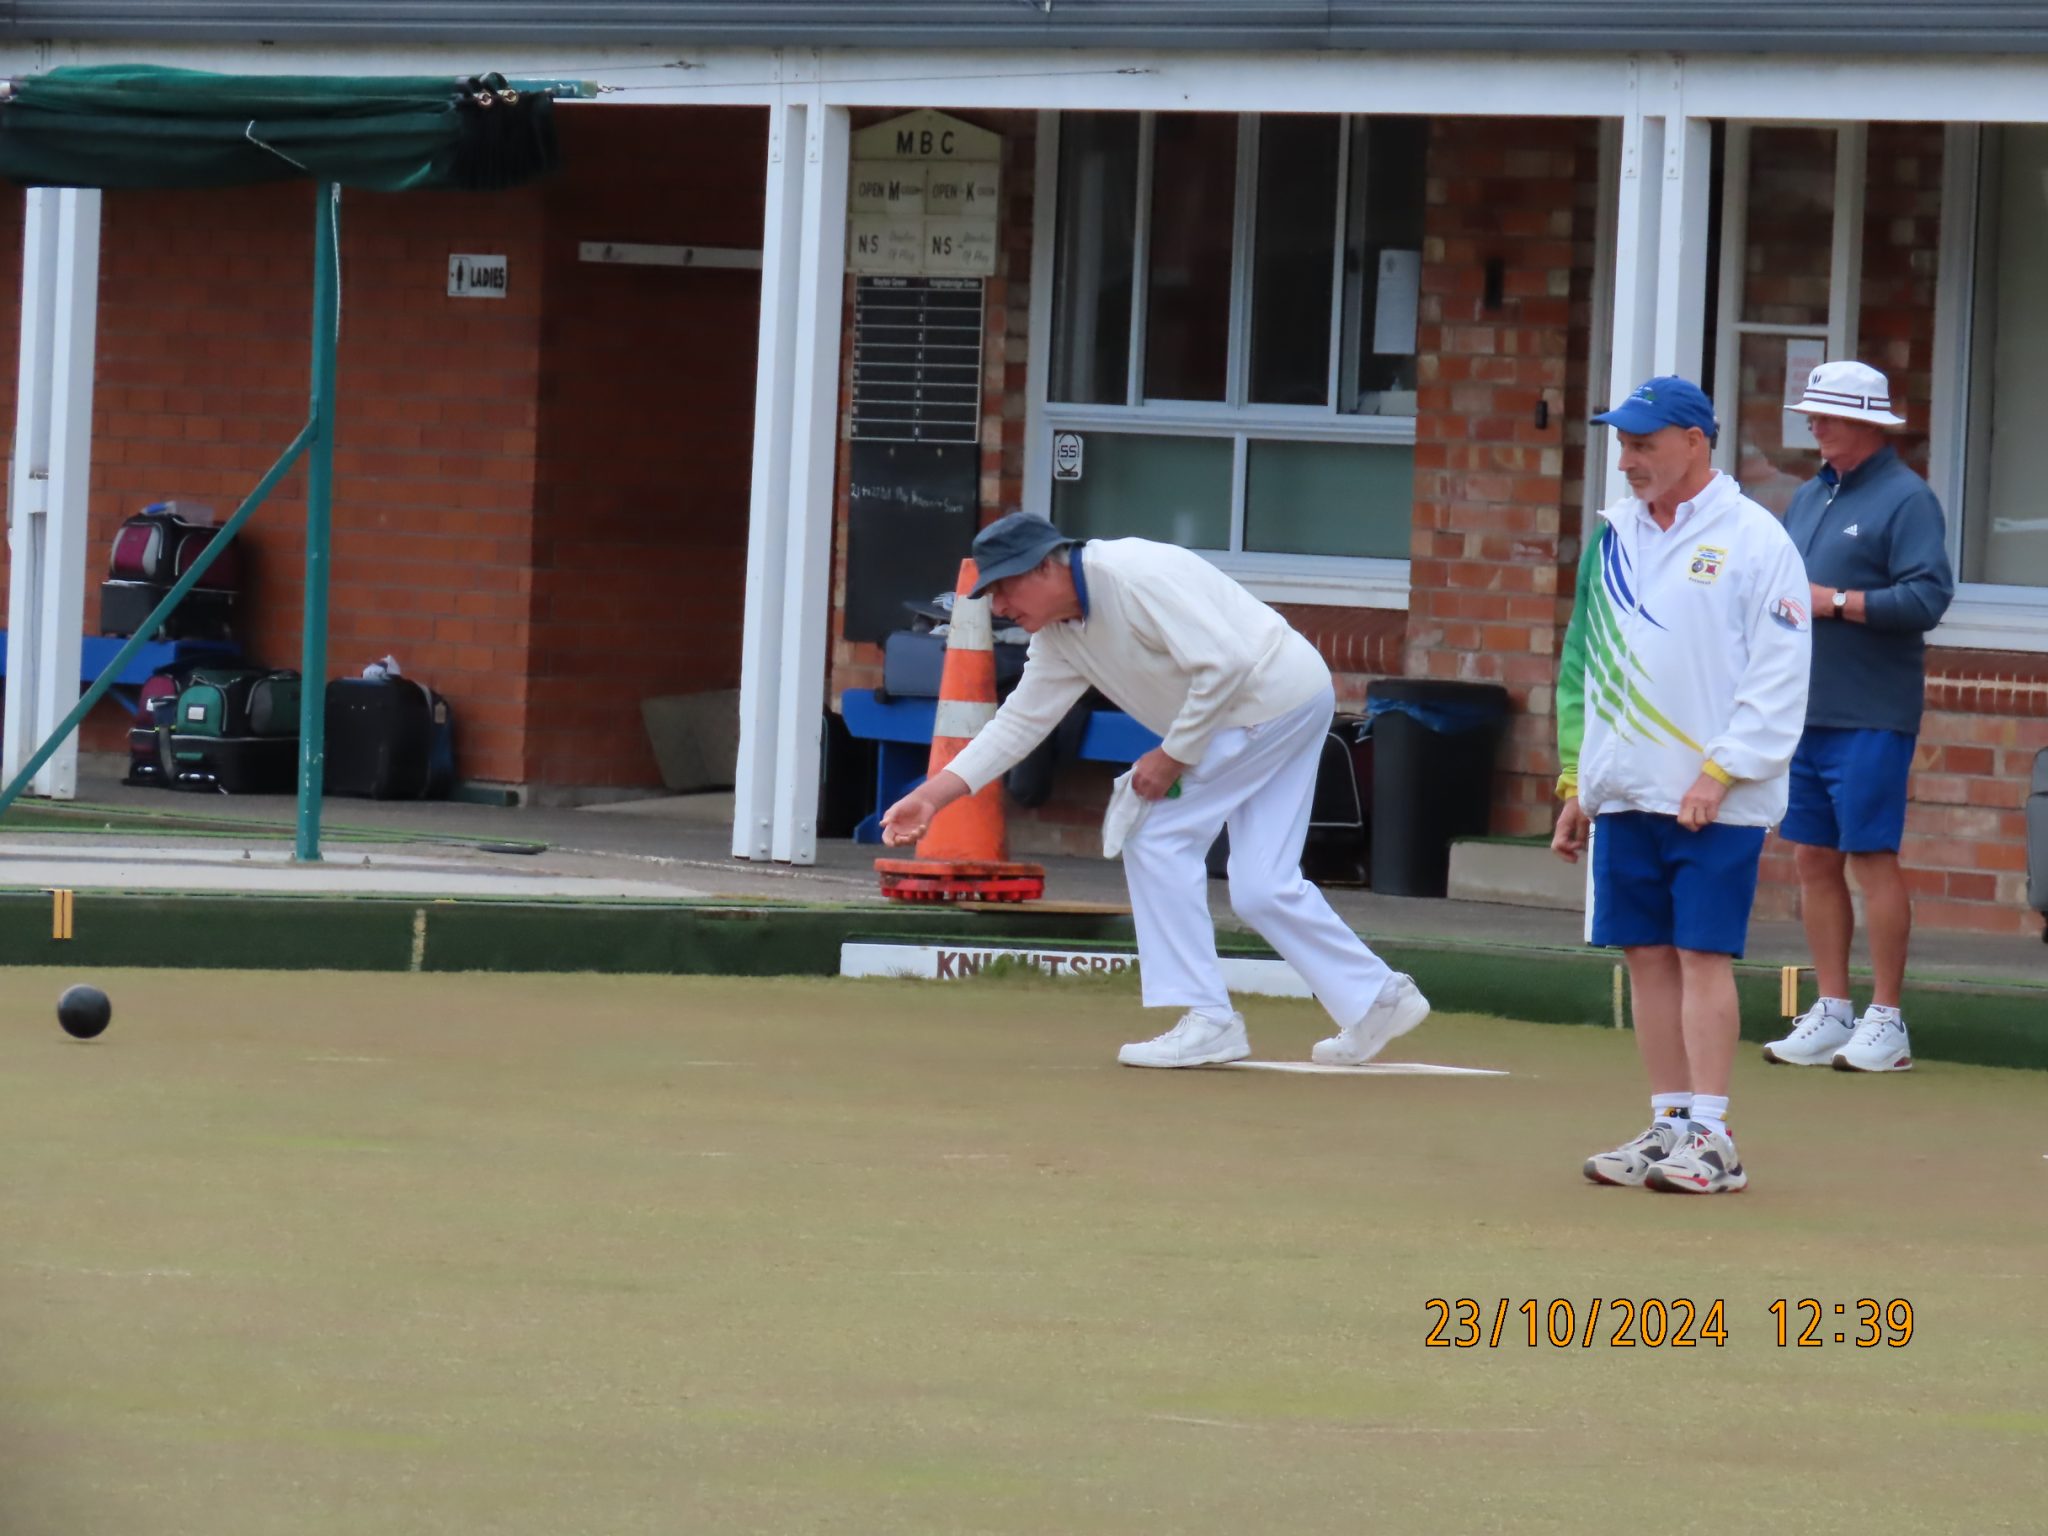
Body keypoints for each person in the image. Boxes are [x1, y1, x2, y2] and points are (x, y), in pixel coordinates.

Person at [880, 511, 1429, 1069]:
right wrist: (933, 795)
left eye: (1003, 588)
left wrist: (1173, 755)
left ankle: (1209, 1020)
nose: (998, 607)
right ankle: (1377, 998)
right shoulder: (1058, 635)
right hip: (1285, 699)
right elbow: (1021, 721)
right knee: (1261, 885)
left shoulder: (1133, 575)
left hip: (1264, 701)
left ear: (1044, 566)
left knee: (1152, 831)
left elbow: (1225, 664)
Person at [1553, 377, 1812, 1194]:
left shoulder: (1756, 539)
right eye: (1623, 445)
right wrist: (1579, 782)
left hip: (1716, 799)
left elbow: (1780, 673)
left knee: (1702, 954)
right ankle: (1669, 1123)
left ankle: (1714, 1137)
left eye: (1644, 444)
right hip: (1626, 789)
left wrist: (1720, 769)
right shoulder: (1613, 537)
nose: (1627, 461)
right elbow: (1584, 666)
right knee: (1646, 954)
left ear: (1696, 441)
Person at [1761, 361, 1955, 1073]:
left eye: (1827, 416)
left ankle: (1888, 1021)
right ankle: (1832, 1010)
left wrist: (1835, 602)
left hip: (1873, 712)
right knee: (1812, 858)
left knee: (1872, 857)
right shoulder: (1808, 496)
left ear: (1867, 424)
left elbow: (1928, 598)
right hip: (1807, 710)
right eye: (1812, 414)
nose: (1813, 425)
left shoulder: (1908, 499)